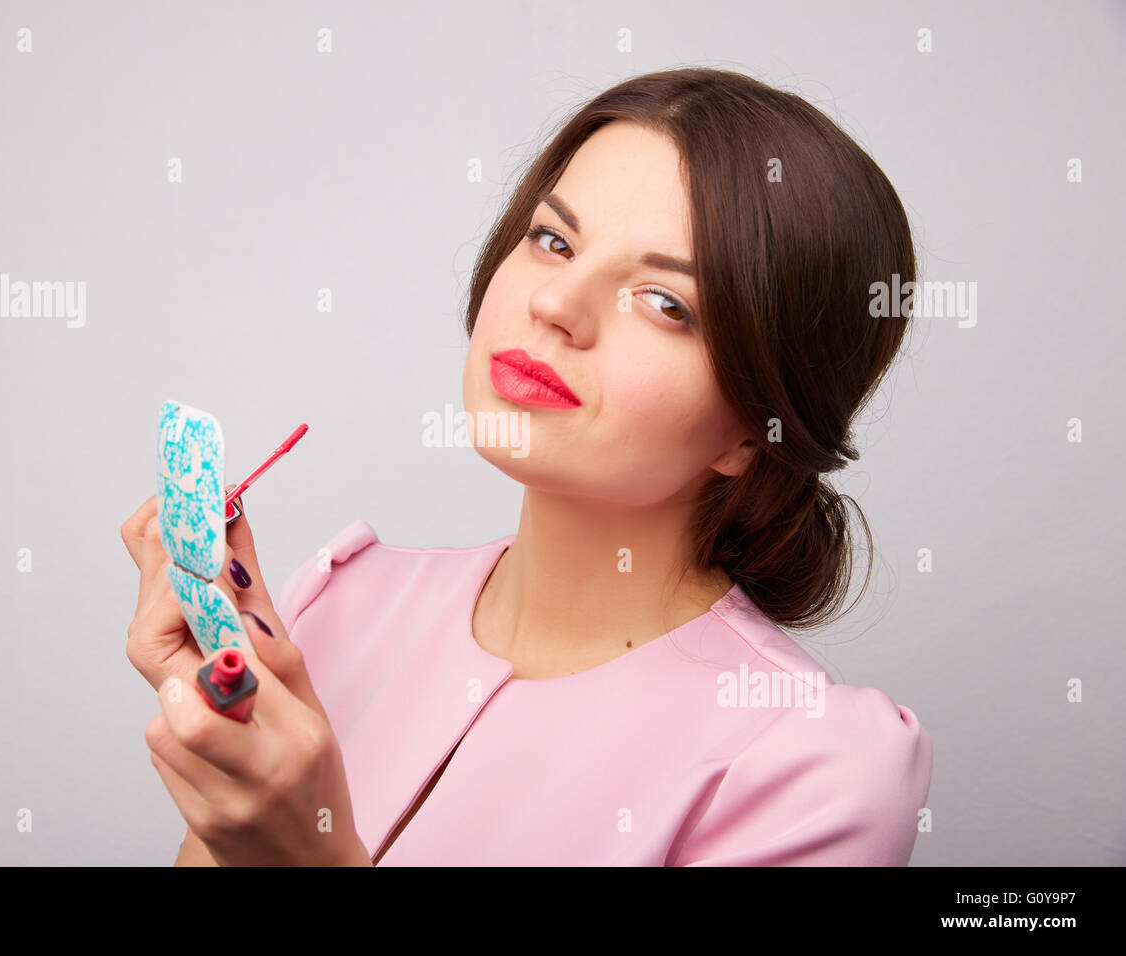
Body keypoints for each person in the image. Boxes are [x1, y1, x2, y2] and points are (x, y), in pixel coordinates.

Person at [122, 67, 932, 866]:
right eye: (554, 240)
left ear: (756, 431)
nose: (557, 303)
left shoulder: (812, 771)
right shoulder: (332, 606)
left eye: (665, 302)